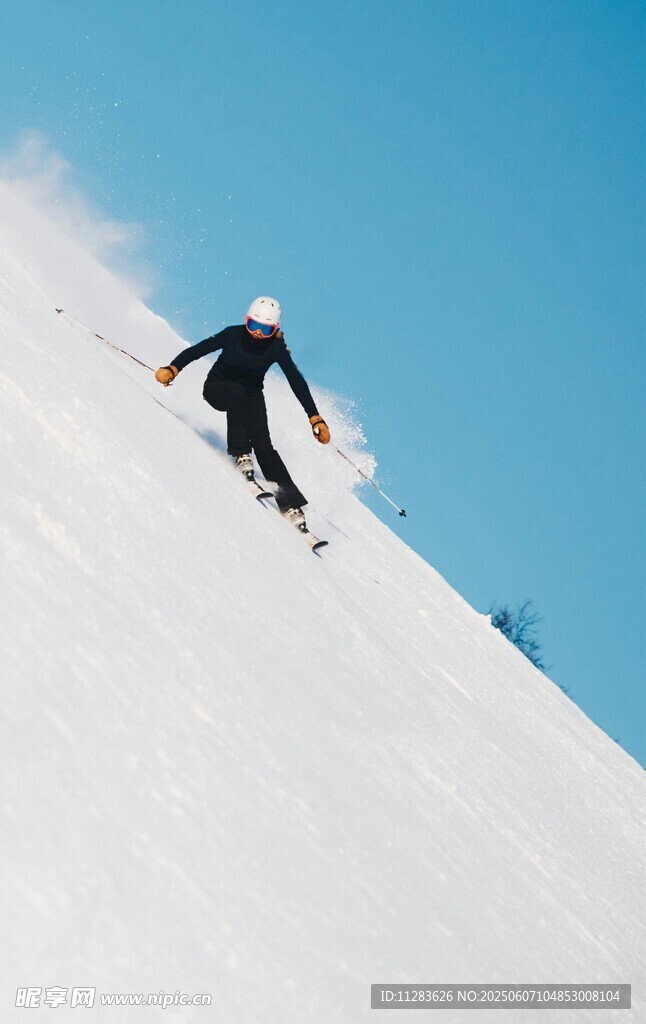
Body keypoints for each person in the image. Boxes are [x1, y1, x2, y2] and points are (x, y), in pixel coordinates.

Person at [155, 296, 330, 527]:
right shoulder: (232, 335)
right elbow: (199, 350)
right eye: (253, 325)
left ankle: (290, 503)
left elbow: (296, 380)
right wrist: (173, 367)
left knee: (264, 443)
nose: (258, 333)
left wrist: (314, 417)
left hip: (250, 395)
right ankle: (241, 453)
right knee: (237, 391)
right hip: (218, 388)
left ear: (275, 329)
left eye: (265, 329)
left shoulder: (276, 349)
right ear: (246, 321)